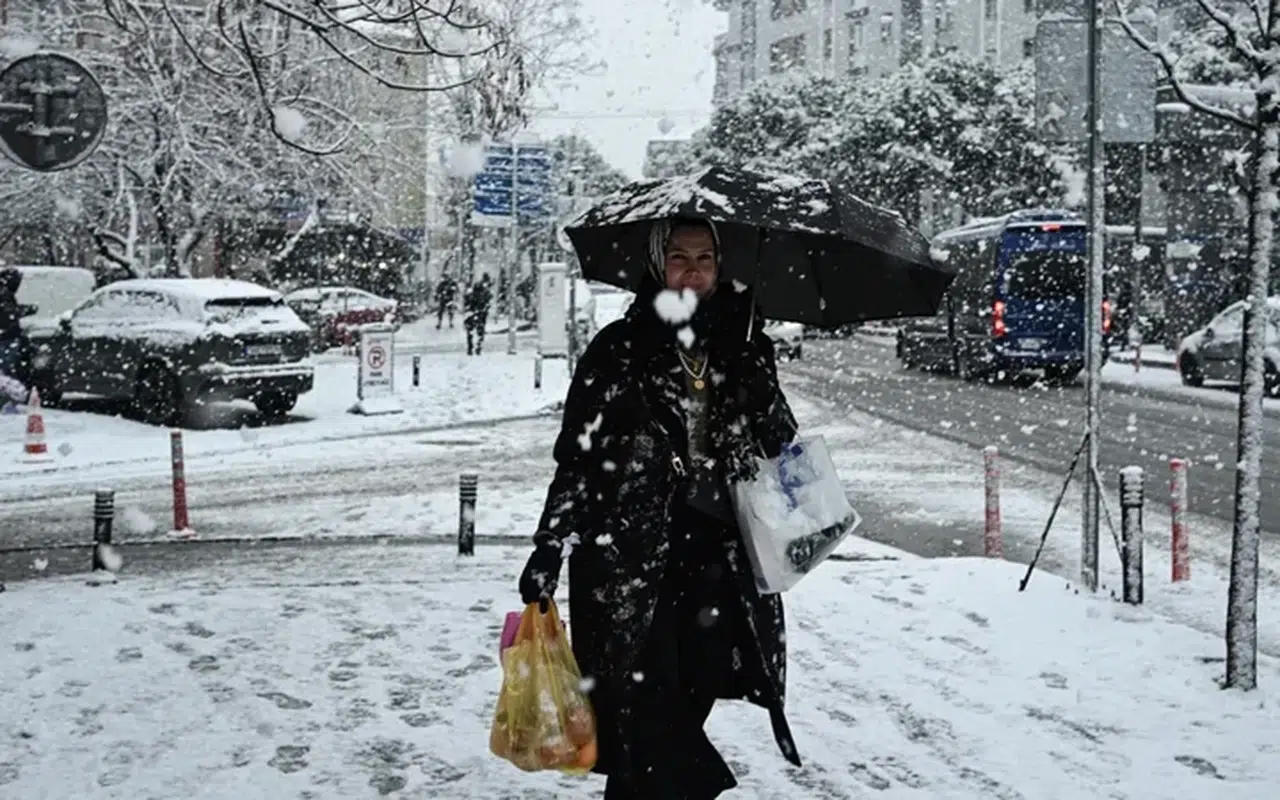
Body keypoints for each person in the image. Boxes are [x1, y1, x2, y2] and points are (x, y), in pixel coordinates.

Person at [517, 217, 802, 799]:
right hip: (627, 560)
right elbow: (578, 456)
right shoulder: (619, 349)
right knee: (644, 707)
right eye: (678, 257)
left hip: (719, 562)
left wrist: (754, 381)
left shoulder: (745, 345)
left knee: (686, 699)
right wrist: (550, 544)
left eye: (705, 258)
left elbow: (779, 443)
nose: (692, 272)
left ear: (722, 267)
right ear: (656, 264)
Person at [0, 268, 33, 411]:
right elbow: (8, 313)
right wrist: (22, 311)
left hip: (7, 336)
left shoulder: (5, 293)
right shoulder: (4, 294)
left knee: (7, 369)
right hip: (6, 337)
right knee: (7, 370)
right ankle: (7, 401)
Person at [464, 274, 493, 356]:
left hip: (472, 312)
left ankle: (471, 347)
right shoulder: (485, 291)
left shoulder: (473, 292)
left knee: (470, 331)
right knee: (480, 331)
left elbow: (467, 302)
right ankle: (478, 347)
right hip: (479, 313)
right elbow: (488, 301)